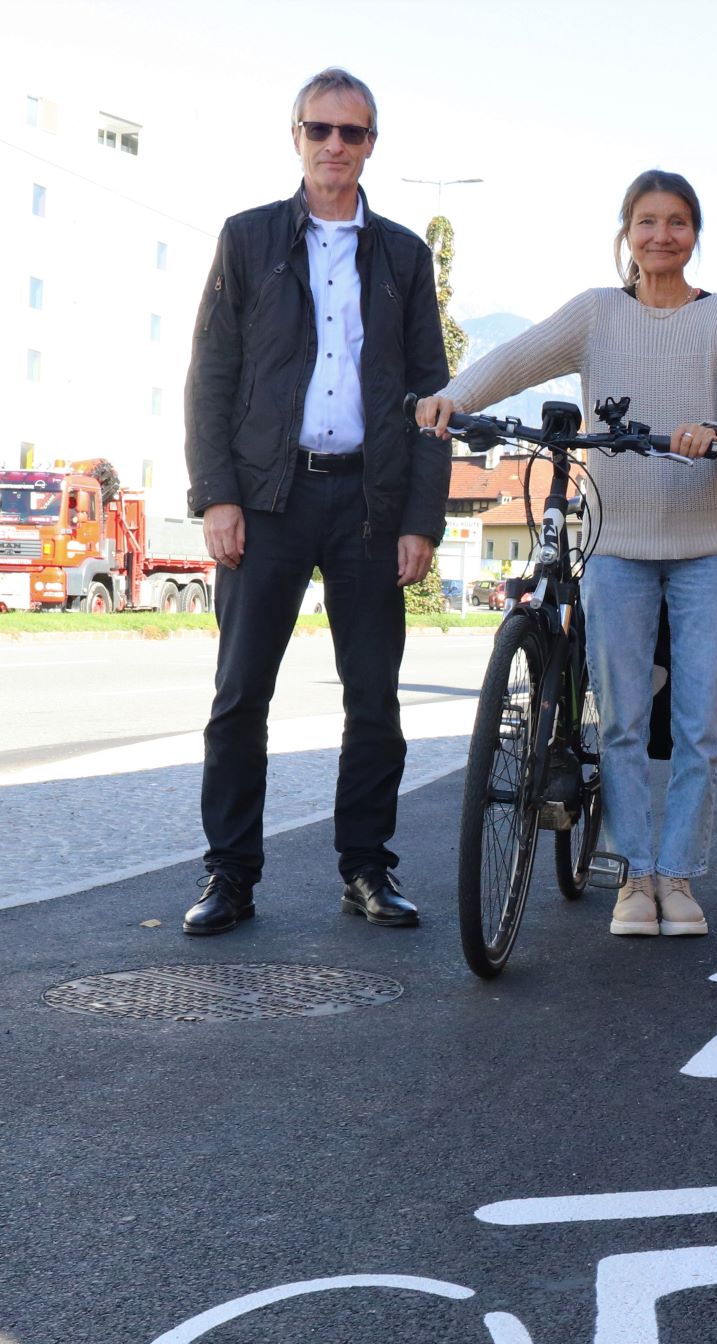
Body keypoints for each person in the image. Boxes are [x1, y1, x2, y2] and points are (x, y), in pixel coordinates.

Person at [417, 170, 717, 939]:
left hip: (710, 546)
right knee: (623, 722)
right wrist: (453, 395)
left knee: (699, 724)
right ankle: (635, 876)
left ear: (694, 233)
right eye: (647, 221)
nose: (661, 235)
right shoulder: (597, 314)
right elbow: (516, 357)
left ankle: (679, 873)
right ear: (626, 232)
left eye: (677, 222)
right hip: (619, 546)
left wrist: (716, 433)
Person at [180, 68, 449, 936]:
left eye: (354, 132)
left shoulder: (405, 256)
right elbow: (211, 377)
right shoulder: (249, 238)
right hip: (268, 499)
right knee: (239, 696)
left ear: (373, 145)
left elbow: (429, 395)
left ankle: (367, 867)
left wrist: (420, 517)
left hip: (368, 504)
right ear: (294, 135)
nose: (336, 145)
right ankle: (230, 875)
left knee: (373, 698)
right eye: (321, 129)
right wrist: (217, 495)